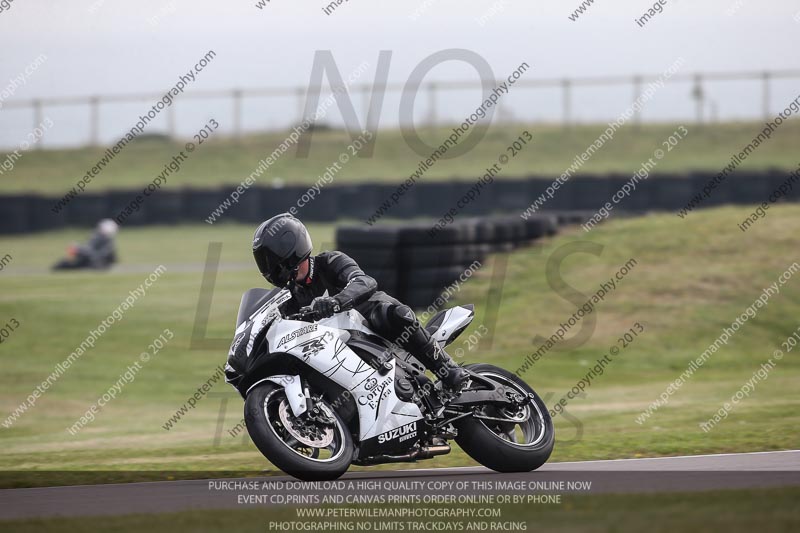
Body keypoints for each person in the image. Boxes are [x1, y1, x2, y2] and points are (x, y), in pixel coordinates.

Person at [252, 213, 468, 390]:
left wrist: (336, 302)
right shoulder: (290, 298)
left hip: (371, 325)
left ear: (289, 249)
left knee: (392, 314)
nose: (268, 265)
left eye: (269, 258)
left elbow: (364, 281)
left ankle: (447, 369)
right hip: (339, 349)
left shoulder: (330, 261)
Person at [53, 219, 119, 271]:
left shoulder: (107, 243)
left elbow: (98, 255)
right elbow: (90, 249)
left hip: (97, 263)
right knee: (67, 264)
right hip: (88, 260)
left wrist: (79, 249)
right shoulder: (97, 238)